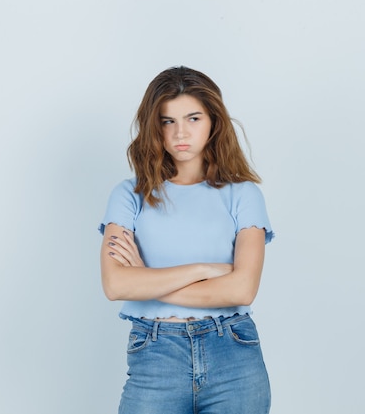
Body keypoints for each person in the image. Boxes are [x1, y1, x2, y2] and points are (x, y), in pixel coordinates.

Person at [98, 66, 275, 414]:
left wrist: (147, 281)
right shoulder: (129, 195)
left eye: (193, 118)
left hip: (233, 354)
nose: (181, 132)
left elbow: (241, 291)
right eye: (167, 121)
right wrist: (205, 269)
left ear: (213, 121)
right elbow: (116, 284)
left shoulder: (243, 194)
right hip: (155, 354)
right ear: (154, 127)